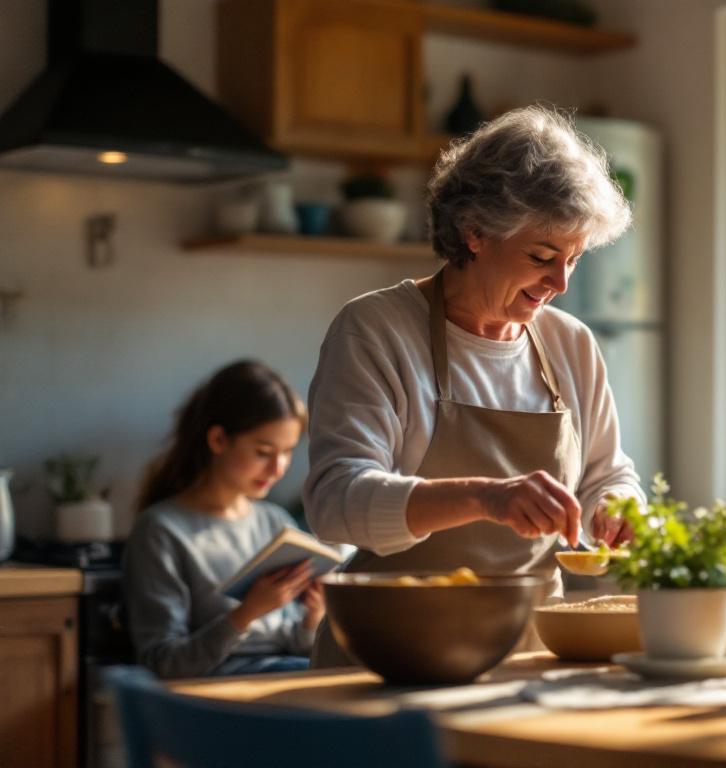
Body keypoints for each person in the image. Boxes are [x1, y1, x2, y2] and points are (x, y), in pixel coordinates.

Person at [303, 106, 643, 665]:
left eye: (574, 260)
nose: (559, 283)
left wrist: (616, 507)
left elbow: (610, 471)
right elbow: (335, 501)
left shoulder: (570, 344)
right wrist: (485, 497)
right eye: (542, 256)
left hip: (527, 654)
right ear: (475, 232)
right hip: (390, 652)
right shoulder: (376, 329)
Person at [123, 360, 322, 678]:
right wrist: (246, 614)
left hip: (283, 675)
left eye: (287, 452)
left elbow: (292, 642)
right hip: (217, 691)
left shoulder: (275, 522)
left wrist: (314, 616)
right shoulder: (161, 530)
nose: (278, 469)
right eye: (263, 452)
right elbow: (163, 663)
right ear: (217, 440)